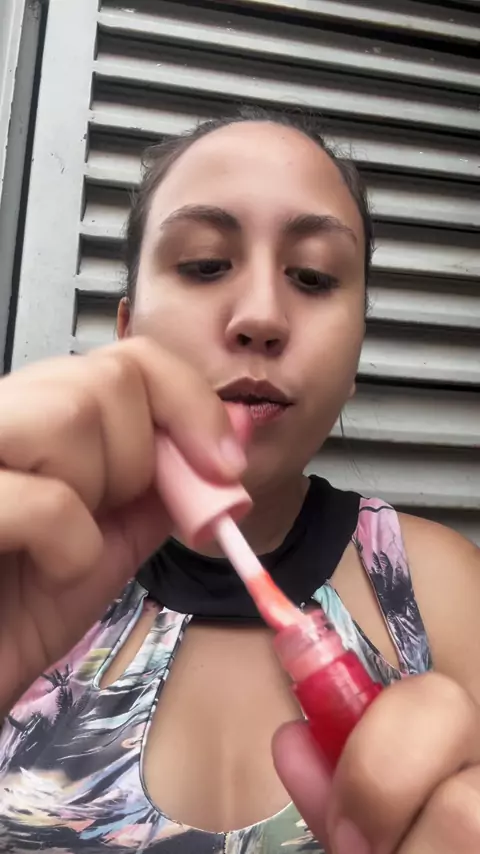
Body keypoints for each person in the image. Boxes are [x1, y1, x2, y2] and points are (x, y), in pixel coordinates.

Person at [0, 106, 479, 854]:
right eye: (203, 264)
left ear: (355, 356)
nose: (261, 317)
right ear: (127, 330)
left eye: (313, 276)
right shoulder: (22, 571)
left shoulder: (441, 586)